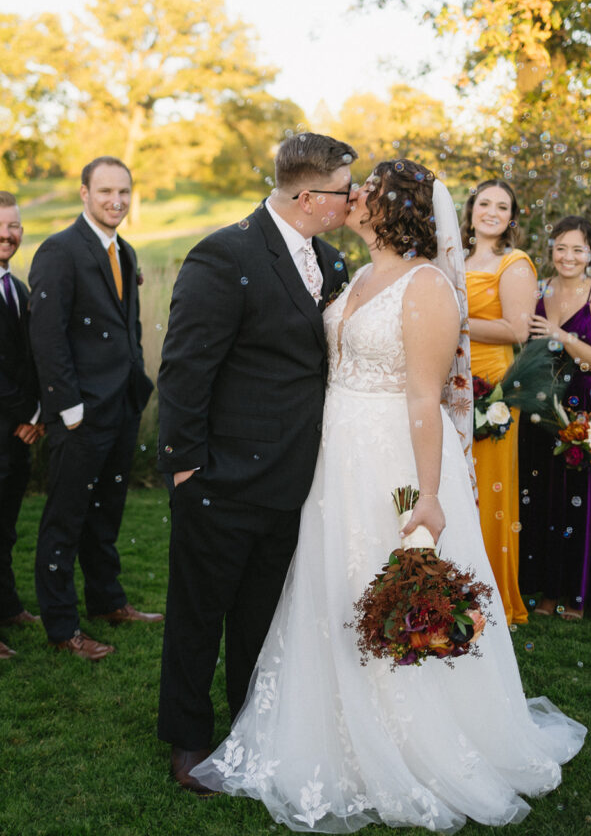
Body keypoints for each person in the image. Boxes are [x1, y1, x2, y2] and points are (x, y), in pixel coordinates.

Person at [191, 160, 586, 830]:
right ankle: (326, 720)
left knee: (381, 580)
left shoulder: (428, 285)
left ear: (392, 207)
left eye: (366, 190)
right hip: (333, 457)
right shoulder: (360, 276)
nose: (354, 196)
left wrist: (428, 496)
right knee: (329, 584)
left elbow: (423, 398)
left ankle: (409, 737)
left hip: (390, 463)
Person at [156, 132, 358, 794]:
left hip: (295, 482)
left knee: (261, 620)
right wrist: (186, 469)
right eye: (343, 189)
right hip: (221, 479)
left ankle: (250, 728)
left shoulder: (329, 260)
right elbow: (186, 370)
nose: (351, 199)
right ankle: (187, 740)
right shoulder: (225, 254)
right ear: (307, 195)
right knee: (198, 617)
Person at [28, 157, 160, 663]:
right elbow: (47, 336)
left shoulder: (122, 250)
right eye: (105, 191)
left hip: (121, 408)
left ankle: (108, 603)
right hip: (80, 415)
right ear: (84, 193)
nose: (116, 201)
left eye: (124, 191)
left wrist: (137, 389)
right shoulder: (60, 251)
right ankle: (63, 628)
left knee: (105, 516)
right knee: (64, 521)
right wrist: (70, 411)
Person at [520, 217, 591, 620]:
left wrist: (559, 334)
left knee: (582, 499)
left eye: (578, 249)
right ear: (551, 250)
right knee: (547, 496)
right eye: (561, 247)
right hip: (544, 401)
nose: (568, 256)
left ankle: (579, 593)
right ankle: (546, 591)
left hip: (587, 401)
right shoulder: (536, 290)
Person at [461, 180, 537, 625]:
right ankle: (450, 588)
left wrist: (456, 318)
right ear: (471, 211)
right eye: (484, 203)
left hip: (492, 386)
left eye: (502, 206)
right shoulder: (454, 260)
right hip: (449, 378)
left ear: (511, 218)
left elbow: (516, 331)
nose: (491, 211)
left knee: (487, 487)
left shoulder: (514, 263)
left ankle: (489, 597)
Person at [0, 192, 43, 660]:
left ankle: (7, 606)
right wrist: (27, 415)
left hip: (14, 436)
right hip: (10, 424)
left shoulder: (19, 287)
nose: (7, 235)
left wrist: (36, 417)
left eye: (13, 226)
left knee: (6, 527)